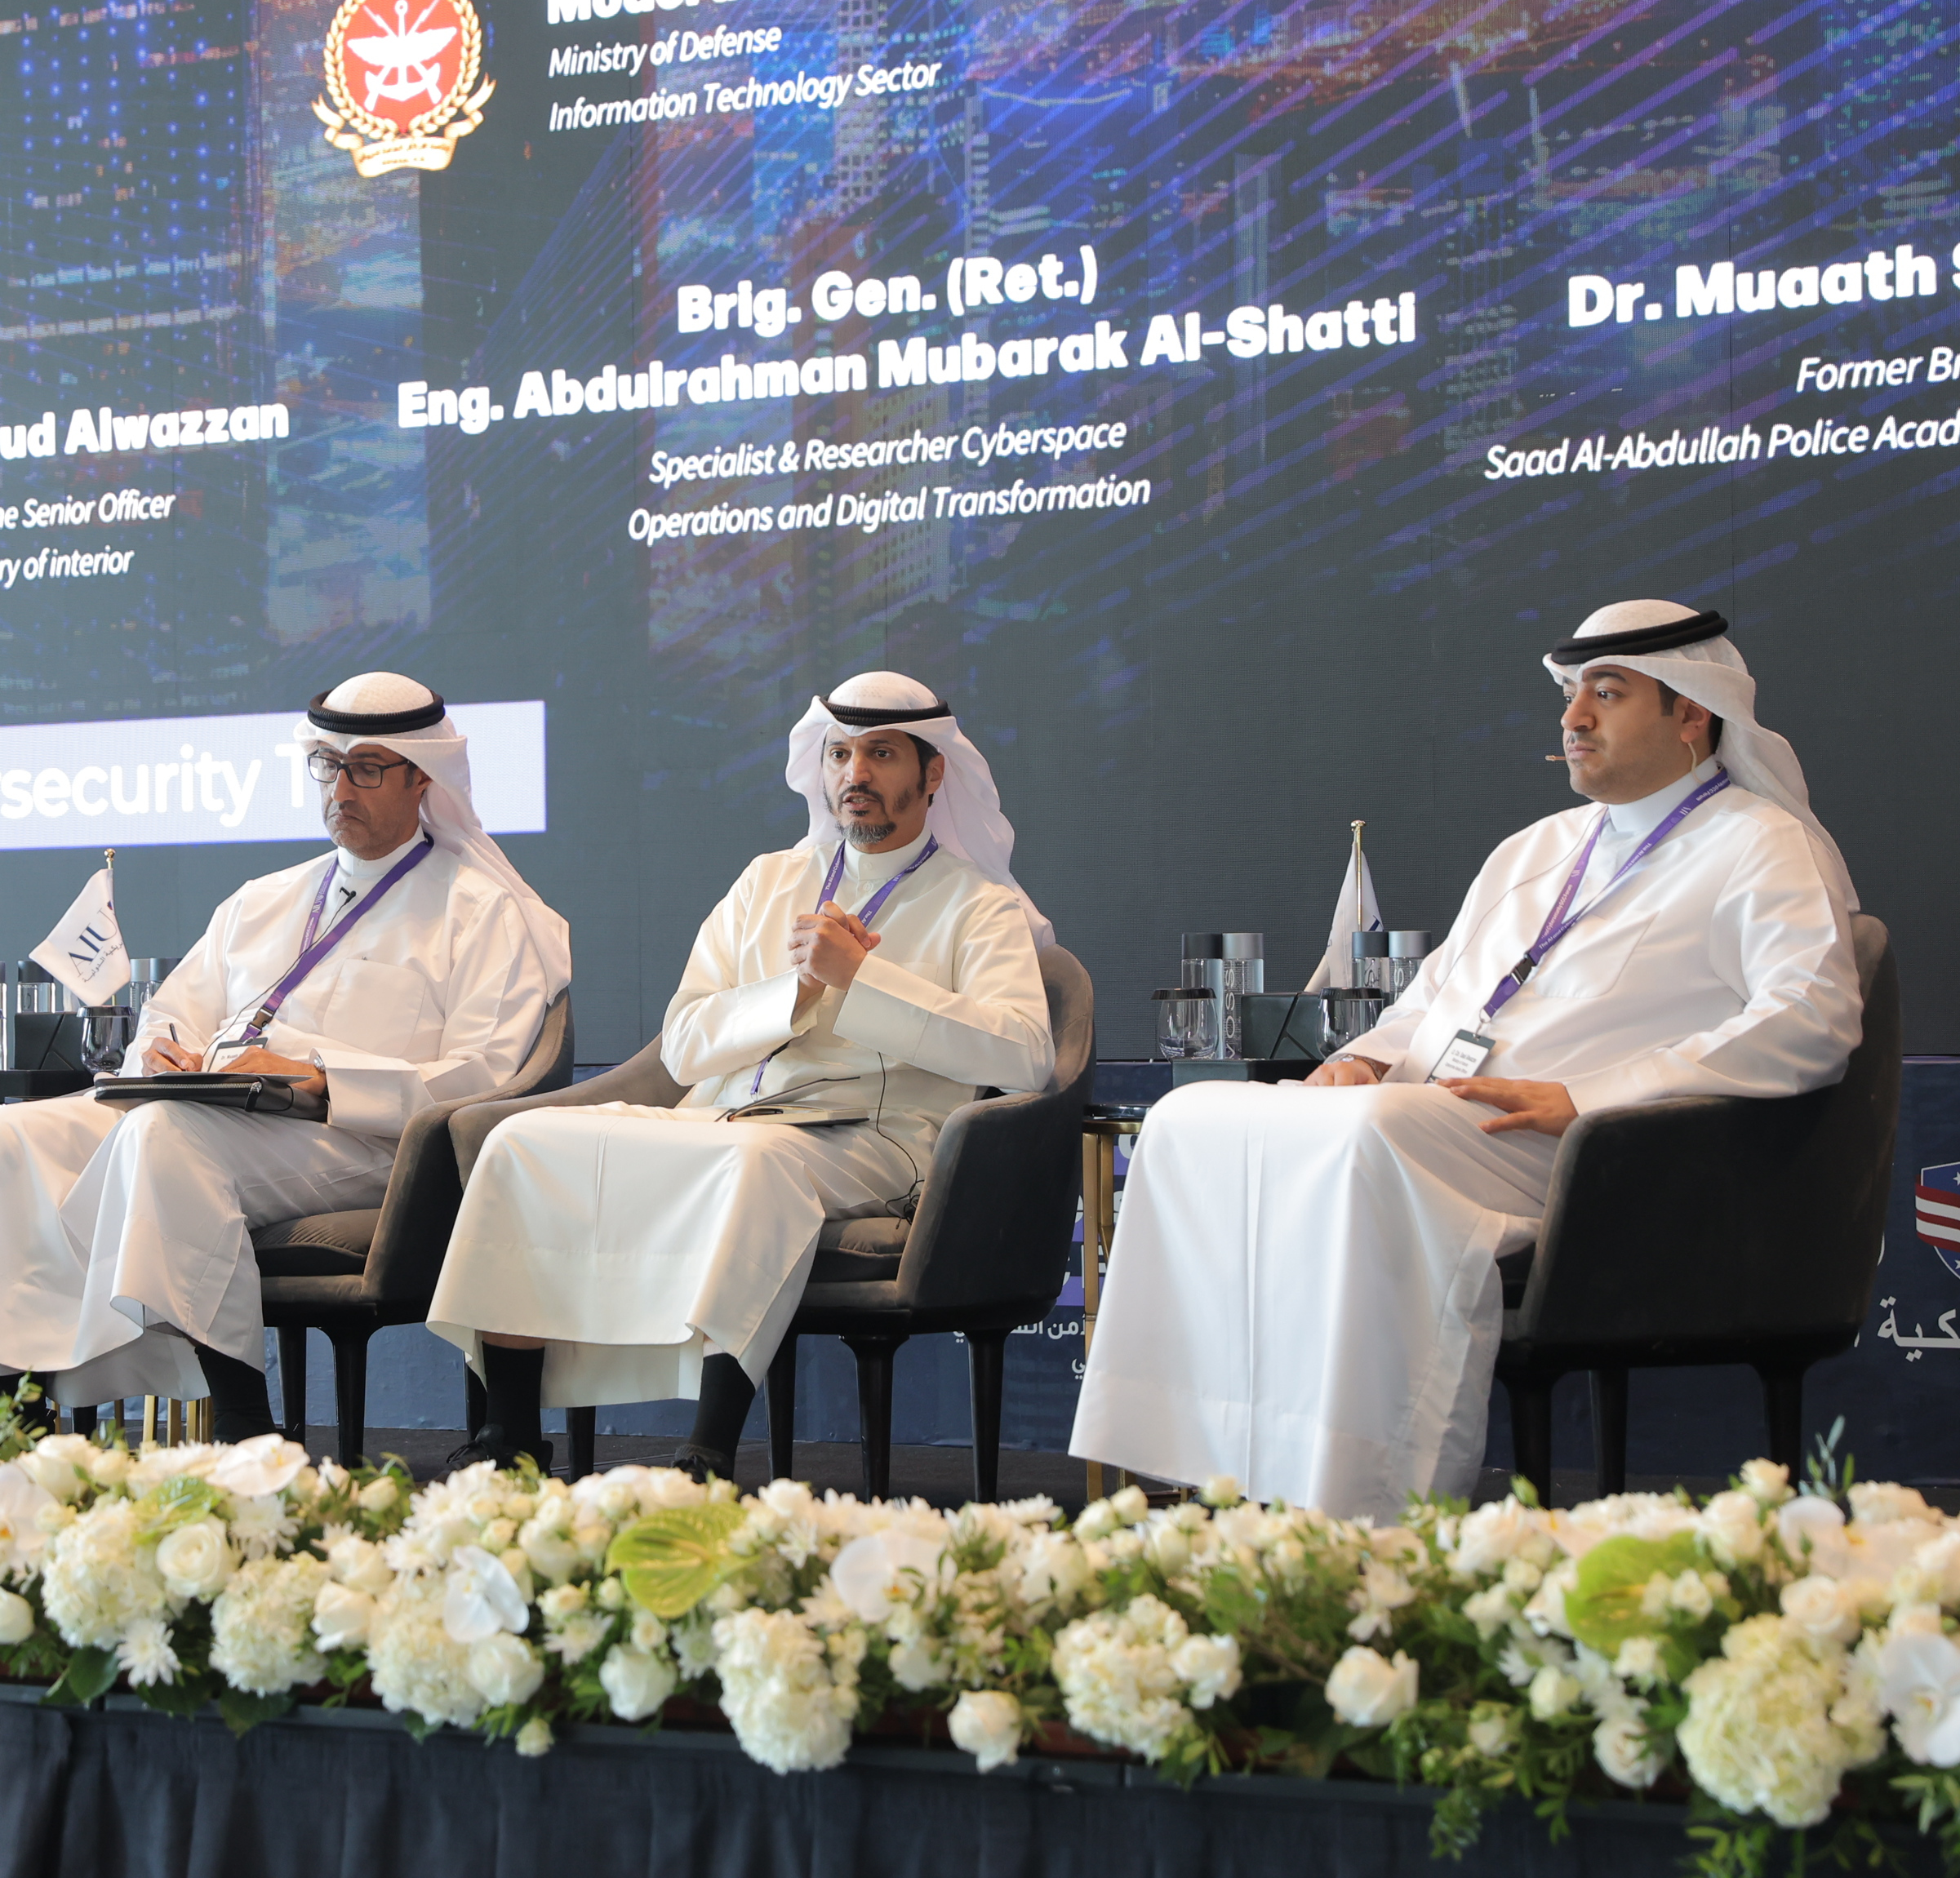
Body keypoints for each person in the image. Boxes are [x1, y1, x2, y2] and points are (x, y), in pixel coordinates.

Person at [1072, 600, 1864, 1518]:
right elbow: (1434, 997)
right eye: (1570, 696)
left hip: (1597, 1155)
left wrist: (1589, 1095)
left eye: (1607, 694)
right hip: (1444, 1119)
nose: (1574, 719)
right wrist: (1367, 1059)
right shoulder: (1534, 849)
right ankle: (1207, 1474)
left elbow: (1811, 1016)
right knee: (1187, 1119)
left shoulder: (1761, 843)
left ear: (1692, 711)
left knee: (1375, 1133)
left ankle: (1365, 1501)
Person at [429, 671, 1055, 1478]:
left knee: (758, 1163)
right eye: (839, 754)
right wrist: (791, 995)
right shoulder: (767, 881)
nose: (855, 774)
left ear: (933, 773)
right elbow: (684, 1046)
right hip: (717, 1119)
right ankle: (509, 1439)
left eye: (881, 754)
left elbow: (1025, 1053)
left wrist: (862, 981)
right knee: (524, 1142)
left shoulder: (979, 904)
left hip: (870, 1137)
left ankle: (707, 1452)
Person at [0, 674, 566, 1438]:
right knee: (2, 1139)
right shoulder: (263, 899)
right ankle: (21, 1426)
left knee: (165, 1136)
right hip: (213, 1112)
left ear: (423, 776)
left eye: (366, 769)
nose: (341, 789)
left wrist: (325, 1079)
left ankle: (243, 1427)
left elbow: (487, 1075)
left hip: (366, 1141)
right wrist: (164, 1055)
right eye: (328, 766)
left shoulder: (483, 911)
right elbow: (172, 1014)